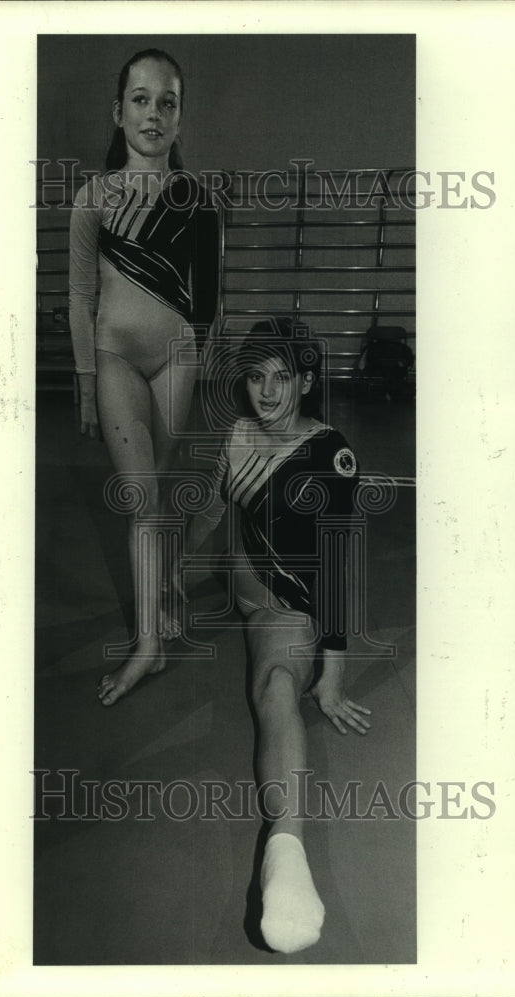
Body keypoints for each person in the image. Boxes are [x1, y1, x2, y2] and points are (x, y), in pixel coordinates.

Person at [177, 317, 371, 954]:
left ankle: (286, 856)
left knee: (274, 684)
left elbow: (340, 565)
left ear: (305, 382)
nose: (265, 392)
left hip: (284, 607)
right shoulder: (236, 435)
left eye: (280, 378)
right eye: (255, 378)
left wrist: (334, 672)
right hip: (239, 581)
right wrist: (170, 570)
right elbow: (213, 508)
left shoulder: (328, 454)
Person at [68, 48, 219, 706]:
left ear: (180, 117)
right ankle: (149, 647)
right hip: (117, 358)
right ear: (117, 111)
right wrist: (83, 378)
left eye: (167, 102)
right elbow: (79, 296)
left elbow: (211, 303)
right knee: (140, 501)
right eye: (140, 99)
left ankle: (166, 588)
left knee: (156, 498)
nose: (153, 112)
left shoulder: (197, 203)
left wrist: (204, 372)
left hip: (177, 357)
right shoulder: (93, 197)